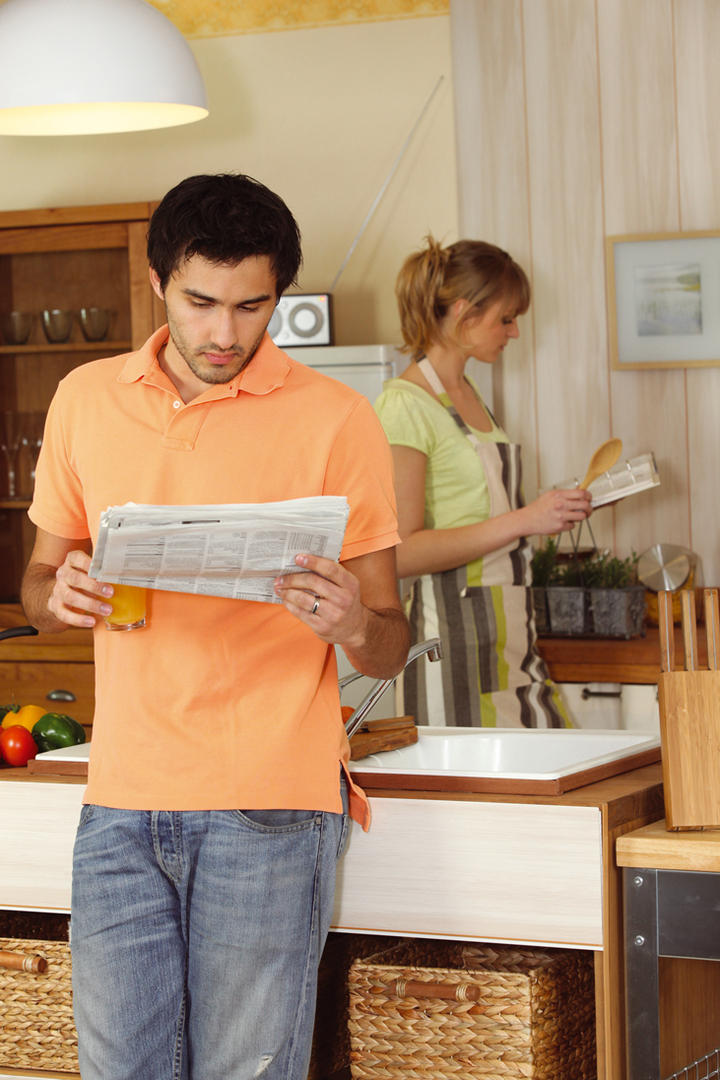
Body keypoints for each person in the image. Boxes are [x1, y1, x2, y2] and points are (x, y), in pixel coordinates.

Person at [20, 173, 410, 1080]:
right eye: (201, 303)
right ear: (160, 282)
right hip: (120, 801)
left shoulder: (337, 419)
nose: (225, 333)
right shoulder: (84, 397)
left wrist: (352, 619)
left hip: (271, 806)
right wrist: (57, 593)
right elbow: (37, 582)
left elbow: (389, 640)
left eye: (251, 306)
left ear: (278, 296)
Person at [374, 236, 590, 728]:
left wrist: (550, 512)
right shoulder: (405, 404)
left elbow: (480, 513)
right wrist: (526, 520)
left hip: (509, 633)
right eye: (505, 318)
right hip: (449, 641)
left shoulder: (467, 392)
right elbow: (401, 551)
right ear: (465, 313)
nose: (514, 332)